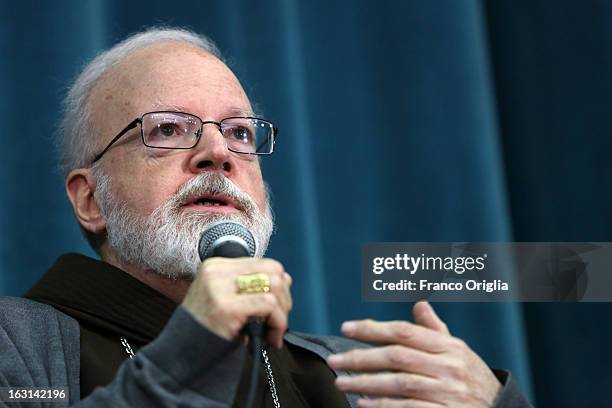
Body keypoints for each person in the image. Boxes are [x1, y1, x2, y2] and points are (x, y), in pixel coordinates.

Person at [0, 27, 532, 407]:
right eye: (167, 129)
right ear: (89, 200)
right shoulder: (17, 347)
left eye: (240, 133)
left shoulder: (353, 375)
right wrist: (194, 349)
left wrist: (493, 403)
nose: (218, 153)